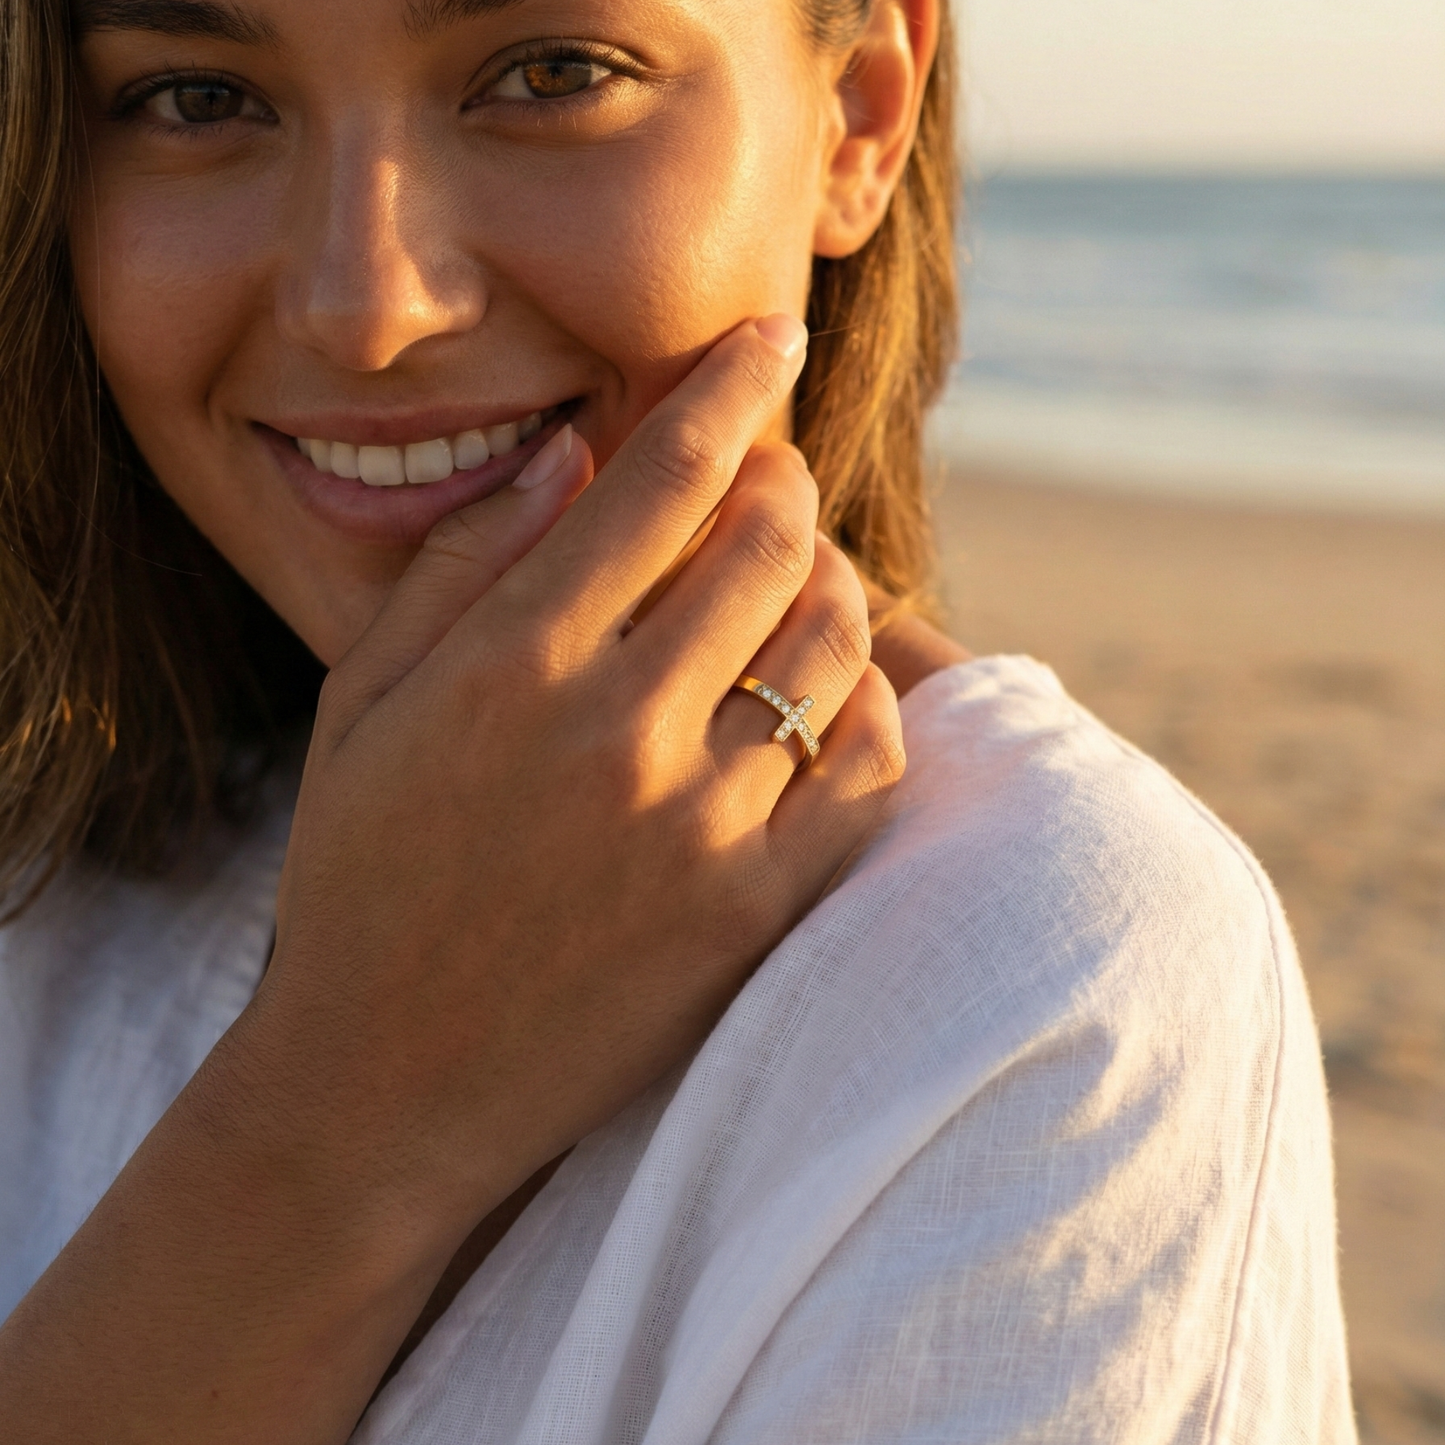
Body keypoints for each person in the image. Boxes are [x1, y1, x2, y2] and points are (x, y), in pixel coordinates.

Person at [0, 0, 1354, 1439]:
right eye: (198, 97)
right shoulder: (48, 843)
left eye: (553, 74)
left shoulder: (1043, 975)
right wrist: (343, 1114)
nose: (368, 306)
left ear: (861, 116)